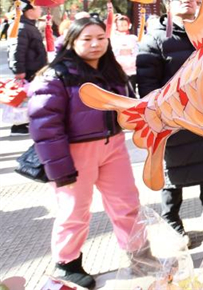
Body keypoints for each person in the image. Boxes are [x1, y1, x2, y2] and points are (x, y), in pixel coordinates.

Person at [28, 17, 149, 289]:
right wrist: (60, 171)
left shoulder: (111, 70)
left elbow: (127, 106)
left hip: (113, 146)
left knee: (127, 202)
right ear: (72, 41)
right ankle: (67, 263)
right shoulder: (55, 74)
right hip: (73, 152)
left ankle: (140, 253)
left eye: (100, 38)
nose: (95, 44)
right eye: (87, 39)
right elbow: (45, 127)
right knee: (74, 210)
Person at [137, 0, 203, 244]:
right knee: (173, 172)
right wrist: (162, 114)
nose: (187, 0)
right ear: (166, 3)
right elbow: (147, 86)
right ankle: (171, 220)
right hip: (174, 118)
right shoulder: (154, 40)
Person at [7, 0, 47, 135]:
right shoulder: (21, 27)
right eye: (38, 7)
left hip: (34, 68)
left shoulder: (27, 26)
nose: (40, 10)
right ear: (30, 9)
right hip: (28, 70)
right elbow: (16, 50)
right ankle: (19, 125)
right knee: (23, 97)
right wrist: (19, 70)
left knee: (29, 97)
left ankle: (25, 123)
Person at [110, 15, 138, 95]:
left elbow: (136, 50)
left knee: (132, 89)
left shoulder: (133, 38)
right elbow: (113, 51)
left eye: (125, 25)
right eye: (121, 25)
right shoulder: (113, 38)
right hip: (118, 66)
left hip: (132, 67)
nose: (123, 26)